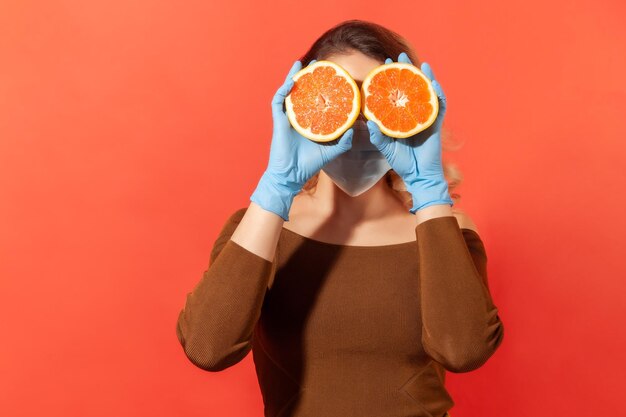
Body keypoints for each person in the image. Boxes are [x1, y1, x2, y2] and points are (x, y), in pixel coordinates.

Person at [176, 19, 504, 417]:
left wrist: (428, 188)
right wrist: (277, 187)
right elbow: (208, 348)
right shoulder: (261, 230)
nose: (361, 126)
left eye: (375, 102)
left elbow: (464, 350)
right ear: (304, 109)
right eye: (343, 100)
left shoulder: (447, 230)